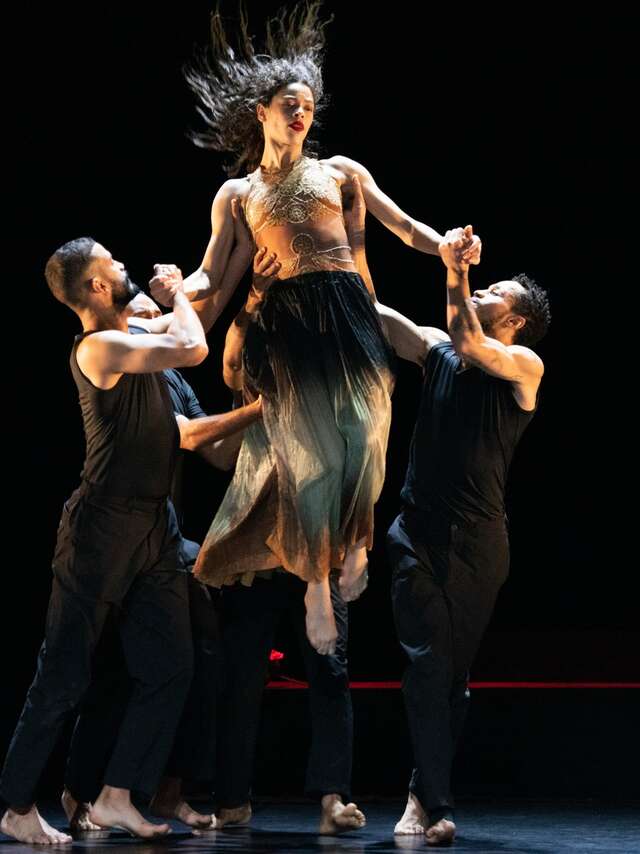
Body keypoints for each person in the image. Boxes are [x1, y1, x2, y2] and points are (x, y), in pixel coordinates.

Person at [150, 2, 480, 656]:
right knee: (310, 457)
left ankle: (355, 542)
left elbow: (406, 228)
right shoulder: (238, 194)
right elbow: (211, 273)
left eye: (307, 106)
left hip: (348, 312)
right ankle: (316, 586)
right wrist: (173, 290)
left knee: (364, 435)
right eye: (288, 105)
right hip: (288, 323)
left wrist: (447, 245)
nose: (300, 113)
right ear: (262, 113)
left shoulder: (341, 173)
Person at [0, 240, 209, 843]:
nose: (123, 267)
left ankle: (118, 794)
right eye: (113, 264)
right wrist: (175, 295)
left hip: (155, 526)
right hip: (102, 528)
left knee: (171, 665)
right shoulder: (99, 347)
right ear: (96, 286)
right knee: (64, 674)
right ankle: (16, 806)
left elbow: (194, 309)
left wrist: (218, 276)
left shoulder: (129, 332)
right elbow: (191, 345)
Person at [381, 226, 550, 845]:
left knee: (452, 676)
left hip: (479, 544)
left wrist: (455, 269)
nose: (483, 292)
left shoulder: (523, 367)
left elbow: (472, 342)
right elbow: (376, 314)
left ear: (517, 321)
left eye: (495, 290)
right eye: (483, 285)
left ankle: (421, 792)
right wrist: (327, 267)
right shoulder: (437, 350)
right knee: (427, 665)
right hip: (416, 533)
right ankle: (436, 803)